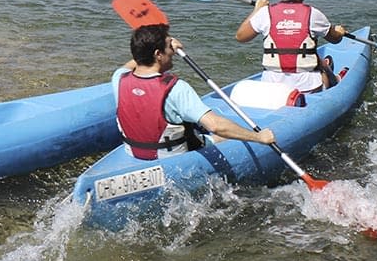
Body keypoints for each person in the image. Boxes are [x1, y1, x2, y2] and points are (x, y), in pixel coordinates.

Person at [113, 24, 276, 160]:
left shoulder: (118, 79)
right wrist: (259, 137)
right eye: (169, 46)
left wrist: (151, 49)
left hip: (134, 153)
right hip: (173, 158)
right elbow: (215, 125)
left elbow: (133, 63)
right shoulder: (176, 89)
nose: (173, 50)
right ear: (158, 55)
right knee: (224, 135)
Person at [235, 0, 347, 93]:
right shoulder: (313, 14)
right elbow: (335, 39)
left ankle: (325, 67)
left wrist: (257, 10)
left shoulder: (265, 13)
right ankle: (336, 80)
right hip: (308, 88)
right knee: (320, 66)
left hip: (273, 88)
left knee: (314, 57)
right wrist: (339, 31)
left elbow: (240, 36)